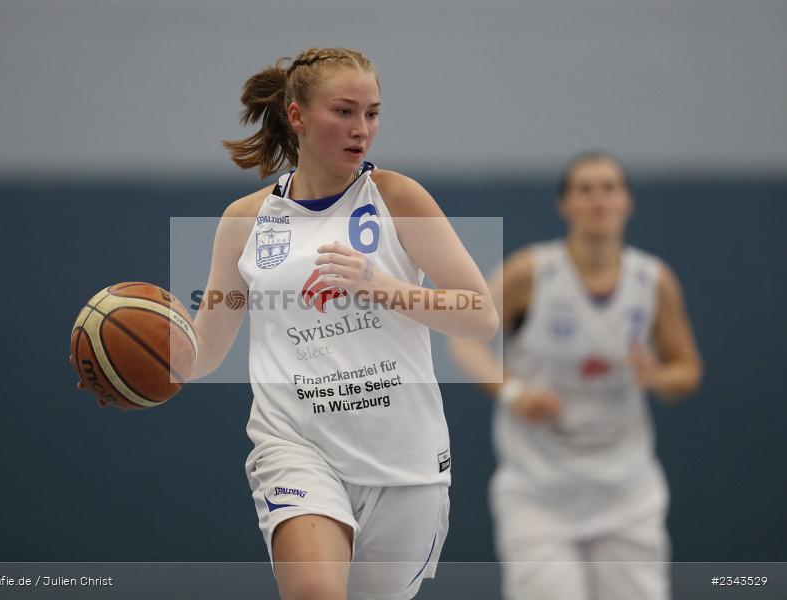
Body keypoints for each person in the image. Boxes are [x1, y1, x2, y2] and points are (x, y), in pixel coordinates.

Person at [188, 48, 497, 600]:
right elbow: (204, 350)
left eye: (372, 113)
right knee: (314, 591)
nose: (362, 129)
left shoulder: (397, 197)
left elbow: (480, 316)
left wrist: (380, 285)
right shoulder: (245, 221)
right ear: (298, 116)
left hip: (404, 462)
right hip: (296, 446)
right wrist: (137, 368)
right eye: (345, 111)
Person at [450, 152, 703, 600]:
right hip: (538, 491)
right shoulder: (533, 272)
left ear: (626, 201)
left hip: (626, 491)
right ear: (564, 204)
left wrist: (658, 377)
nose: (598, 200)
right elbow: (463, 339)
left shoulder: (652, 280)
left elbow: (687, 369)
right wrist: (513, 393)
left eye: (609, 188)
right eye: (585, 190)